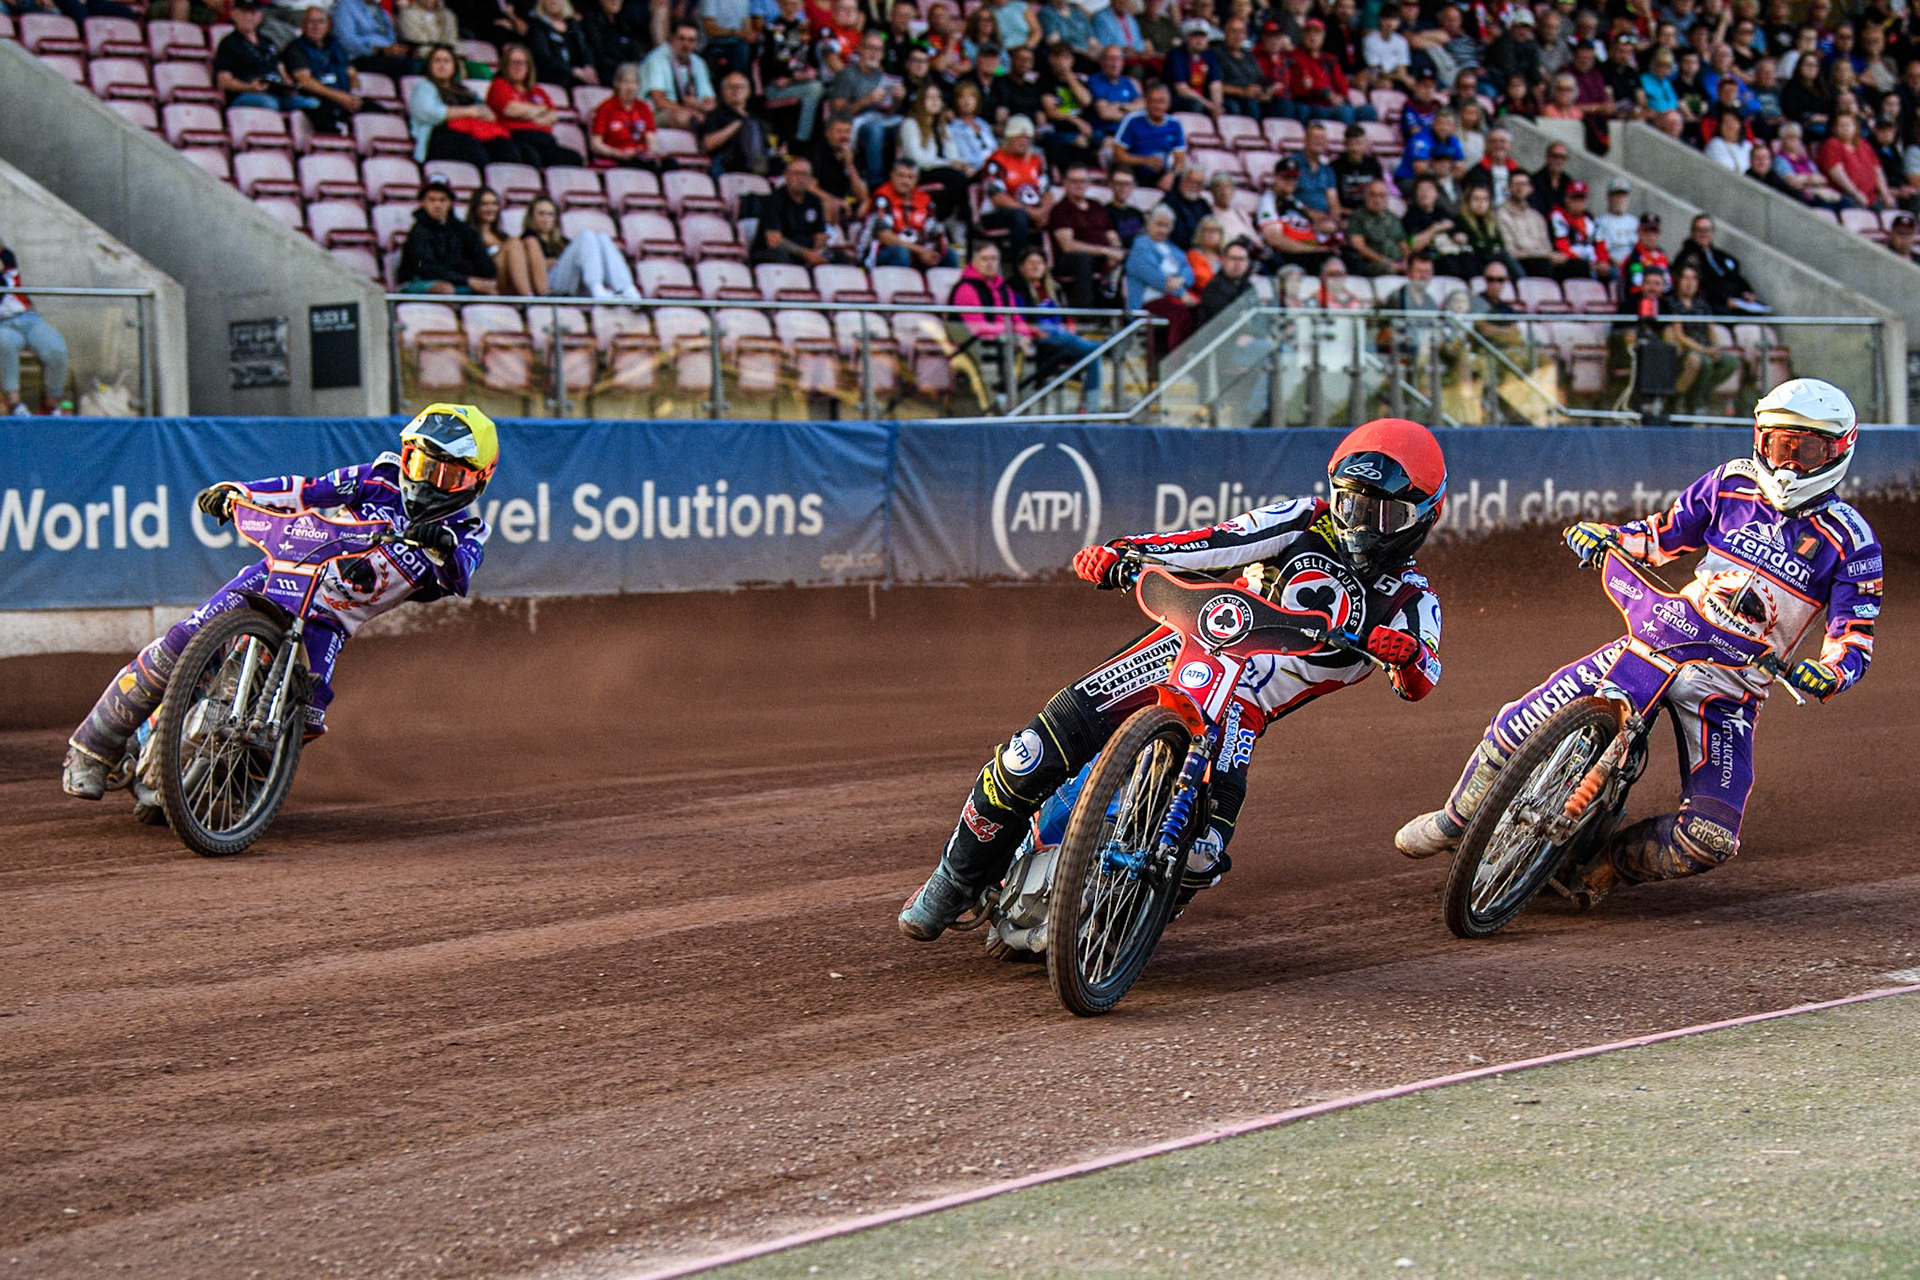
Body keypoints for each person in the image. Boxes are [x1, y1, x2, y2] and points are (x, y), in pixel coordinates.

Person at [900, 419, 1451, 941]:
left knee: (1202, 853)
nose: (1362, 524)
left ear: (1425, 515)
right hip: (1177, 650)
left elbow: (1423, 676)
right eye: (1353, 503)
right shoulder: (1304, 519)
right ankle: (955, 879)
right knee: (1028, 755)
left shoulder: (1413, 600)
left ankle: (1135, 918)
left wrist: (1403, 658)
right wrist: (1125, 552)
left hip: (1243, 710)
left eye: (1386, 514)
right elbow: (1213, 541)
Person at [1396, 380, 1877, 910]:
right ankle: (1454, 820)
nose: (1786, 464)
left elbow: (1853, 637)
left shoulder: (1852, 541)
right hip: (1663, 633)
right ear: (1758, 439)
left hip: (1732, 686)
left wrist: (1829, 673)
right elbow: (1660, 536)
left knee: (1710, 839)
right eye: (1776, 445)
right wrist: (1606, 536)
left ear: (1837, 450)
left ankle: (1606, 863)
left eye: (1804, 449)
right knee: (1521, 720)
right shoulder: (1730, 483)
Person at [62, 405, 499, 801]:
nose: (426, 480)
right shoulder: (380, 477)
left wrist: (442, 544)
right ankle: (91, 749)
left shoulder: (468, 531)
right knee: (180, 643)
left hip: (330, 620)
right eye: (420, 464)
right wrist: (240, 492)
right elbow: (307, 491)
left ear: (478, 479)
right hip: (282, 574)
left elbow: (460, 572)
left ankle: (236, 793)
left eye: (447, 475)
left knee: (306, 715)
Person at [1012, 248, 1103, 410]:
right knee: (1094, 350)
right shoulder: (1015, 288)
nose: (1036, 266)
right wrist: (1035, 331)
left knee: (1093, 355)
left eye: (1039, 263)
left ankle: (1090, 407)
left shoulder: (1054, 288)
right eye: (1031, 263)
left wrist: (1069, 329)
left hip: (1061, 335)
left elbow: (1067, 317)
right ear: (1021, 267)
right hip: (1037, 335)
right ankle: (1090, 405)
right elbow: (1016, 318)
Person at [411, 44, 528, 168]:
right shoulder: (425, 88)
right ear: (429, 65)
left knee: (507, 148)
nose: (442, 65)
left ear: (454, 66)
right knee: (474, 151)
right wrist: (471, 112)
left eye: (446, 61)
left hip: (473, 133)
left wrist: (481, 113)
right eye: (437, 61)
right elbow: (430, 113)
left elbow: (486, 113)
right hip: (441, 136)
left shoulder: (465, 91)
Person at [519, 193, 641, 298]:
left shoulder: (561, 241)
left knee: (602, 238)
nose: (546, 219)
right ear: (531, 216)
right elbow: (527, 268)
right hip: (551, 285)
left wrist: (557, 262)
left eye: (550, 215)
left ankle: (626, 288)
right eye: (541, 214)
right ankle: (596, 287)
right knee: (586, 236)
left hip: (573, 282)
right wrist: (549, 263)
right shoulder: (528, 238)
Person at [488, 44, 589, 167]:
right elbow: (511, 110)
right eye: (513, 63)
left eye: (522, 63)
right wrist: (540, 110)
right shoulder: (499, 85)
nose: (518, 67)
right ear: (505, 65)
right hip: (517, 138)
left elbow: (552, 117)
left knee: (573, 158)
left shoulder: (537, 90)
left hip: (545, 141)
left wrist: (527, 113)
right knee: (530, 157)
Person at [0, 237, 68, 417]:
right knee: (4, 344)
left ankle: (50, 404)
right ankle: (14, 403)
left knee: (55, 349)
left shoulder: (6, 255)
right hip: (2, 325)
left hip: (27, 317)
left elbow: (5, 277)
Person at [1662, 262, 1741, 413]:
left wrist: (1715, 347)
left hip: (1705, 346)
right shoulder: (1671, 303)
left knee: (1730, 361)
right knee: (1703, 362)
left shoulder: (1702, 305)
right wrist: (1704, 350)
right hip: (1686, 348)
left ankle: (1696, 393)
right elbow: (1679, 335)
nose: (1689, 283)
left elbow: (1710, 330)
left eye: (1693, 279)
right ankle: (1693, 402)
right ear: (1678, 280)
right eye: (1685, 278)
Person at [284, 6, 374, 138]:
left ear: (329, 25)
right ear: (303, 25)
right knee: (324, 115)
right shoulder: (296, 48)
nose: (316, 26)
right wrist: (341, 97)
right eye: (311, 22)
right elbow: (305, 81)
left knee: (377, 111)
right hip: (317, 101)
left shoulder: (335, 46)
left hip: (344, 99)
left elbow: (352, 73)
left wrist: (353, 95)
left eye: (321, 22)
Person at [398, 176, 498, 295]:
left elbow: (484, 263)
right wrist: (467, 280)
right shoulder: (418, 232)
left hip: (457, 281)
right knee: (444, 289)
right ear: (422, 202)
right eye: (432, 200)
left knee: (492, 288)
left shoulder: (463, 230)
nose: (437, 205)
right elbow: (425, 269)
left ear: (450, 203)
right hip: (419, 281)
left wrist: (482, 280)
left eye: (442, 200)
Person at [214, 0, 318, 113]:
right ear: (234, 14)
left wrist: (289, 86)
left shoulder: (267, 42)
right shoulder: (228, 43)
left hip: (275, 91)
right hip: (245, 94)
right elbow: (224, 80)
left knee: (312, 103)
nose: (249, 17)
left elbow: (280, 69)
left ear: (259, 16)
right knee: (269, 103)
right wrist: (249, 87)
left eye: (253, 13)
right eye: (244, 12)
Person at [832, 29, 904, 186]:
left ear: (883, 54)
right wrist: (866, 100)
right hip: (854, 123)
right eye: (869, 48)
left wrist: (897, 100)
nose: (873, 53)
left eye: (878, 49)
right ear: (861, 50)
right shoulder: (847, 74)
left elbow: (889, 110)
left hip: (880, 118)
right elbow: (839, 112)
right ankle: (875, 181)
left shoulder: (882, 76)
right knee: (875, 128)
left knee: (907, 124)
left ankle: (904, 176)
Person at [1048, 165, 1125, 309]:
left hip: (1102, 256)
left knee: (1131, 255)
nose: (1079, 185)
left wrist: (1116, 251)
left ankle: (1127, 312)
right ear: (1064, 183)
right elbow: (1068, 246)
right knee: (1082, 259)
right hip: (1070, 261)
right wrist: (1105, 251)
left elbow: (1112, 236)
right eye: (1074, 181)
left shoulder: (1097, 206)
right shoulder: (1060, 210)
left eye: (1083, 181)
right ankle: (1085, 313)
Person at [981, 115, 1055, 259]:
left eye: (1027, 138)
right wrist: (1029, 212)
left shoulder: (1036, 160)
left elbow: (1047, 191)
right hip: (999, 213)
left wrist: (1043, 210)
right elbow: (997, 197)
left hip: (1034, 210)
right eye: (1019, 137)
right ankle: (1019, 266)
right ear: (1008, 138)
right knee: (1019, 216)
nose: (1024, 141)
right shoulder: (996, 161)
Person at [1126, 204, 1198, 350]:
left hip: (1172, 298)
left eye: (1166, 226)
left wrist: (1181, 280)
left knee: (1199, 312)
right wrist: (1181, 292)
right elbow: (1153, 276)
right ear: (1149, 223)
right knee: (1180, 315)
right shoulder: (1141, 246)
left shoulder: (1174, 249)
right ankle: (1175, 362)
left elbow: (1189, 273)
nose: (1162, 230)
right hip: (1147, 301)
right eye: (1159, 225)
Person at [1671, 214, 1769, 314]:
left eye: (1707, 230)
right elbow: (1702, 287)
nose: (1703, 234)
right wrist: (1725, 300)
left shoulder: (1720, 256)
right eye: (1699, 230)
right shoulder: (1686, 257)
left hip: (1737, 301)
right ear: (1692, 232)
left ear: (1713, 232)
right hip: (1712, 304)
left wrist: (1746, 292)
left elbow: (1736, 277)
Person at [865, 159, 954, 267]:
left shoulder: (925, 200)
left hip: (917, 252)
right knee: (901, 253)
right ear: (892, 176)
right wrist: (920, 250)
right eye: (901, 176)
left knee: (949, 254)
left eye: (910, 177)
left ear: (917, 180)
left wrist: (932, 251)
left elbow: (936, 234)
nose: (905, 181)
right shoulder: (882, 198)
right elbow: (884, 236)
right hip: (883, 252)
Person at [760, 0, 826, 143]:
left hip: (799, 83)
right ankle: (802, 140)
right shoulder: (770, 29)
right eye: (787, 4)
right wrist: (793, 76)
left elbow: (814, 62)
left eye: (795, 4)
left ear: (801, 6)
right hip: (776, 87)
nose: (790, 8)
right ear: (779, 5)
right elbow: (767, 65)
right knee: (815, 89)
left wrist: (808, 74)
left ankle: (805, 138)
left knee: (817, 88)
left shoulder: (806, 30)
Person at [749, 156, 829, 265]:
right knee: (781, 255)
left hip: (806, 252)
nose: (800, 179)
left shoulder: (814, 201)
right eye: (796, 174)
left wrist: (817, 252)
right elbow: (774, 240)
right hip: (773, 253)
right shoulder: (774, 200)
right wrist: (807, 254)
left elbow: (820, 234)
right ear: (786, 176)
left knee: (840, 257)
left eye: (805, 175)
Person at [640, 19, 717, 130]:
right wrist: (687, 110)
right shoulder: (657, 58)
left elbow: (711, 102)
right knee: (684, 117)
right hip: (656, 113)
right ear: (671, 38)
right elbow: (659, 101)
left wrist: (697, 105)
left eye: (691, 40)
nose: (686, 44)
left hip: (691, 111)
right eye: (681, 39)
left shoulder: (698, 63)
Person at [1110, 82, 1189, 191]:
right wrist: (1144, 161)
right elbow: (1117, 154)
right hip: (1134, 169)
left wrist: (1171, 175)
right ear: (1146, 102)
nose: (1157, 106)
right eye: (1153, 101)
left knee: (1183, 178)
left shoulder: (1175, 124)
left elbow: (1180, 159)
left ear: (1168, 104)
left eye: (1161, 102)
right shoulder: (1133, 120)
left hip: (1160, 171)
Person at [465, 186, 538, 295]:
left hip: (509, 280)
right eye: (485, 204)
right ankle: (528, 298)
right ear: (475, 208)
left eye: (494, 204)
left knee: (530, 242)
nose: (490, 208)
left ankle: (544, 295)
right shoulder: (468, 234)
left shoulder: (502, 235)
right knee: (514, 243)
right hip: (488, 281)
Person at [700, 71, 771, 175]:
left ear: (748, 91)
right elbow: (708, 144)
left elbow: (765, 148)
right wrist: (737, 125)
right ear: (723, 91)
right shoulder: (715, 115)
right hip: (726, 163)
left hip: (754, 161)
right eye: (730, 87)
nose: (735, 90)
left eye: (740, 87)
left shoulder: (755, 120)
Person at [590, 63, 657, 167]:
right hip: (617, 157)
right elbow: (596, 144)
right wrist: (617, 153)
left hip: (640, 156)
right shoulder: (606, 108)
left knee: (669, 164)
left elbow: (651, 139)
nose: (631, 87)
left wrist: (649, 152)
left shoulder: (643, 107)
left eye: (634, 83)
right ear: (617, 84)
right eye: (626, 82)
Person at [331, 0, 416, 78]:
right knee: (405, 66)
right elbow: (346, 42)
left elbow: (390, 39)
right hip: (359, 58)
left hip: (385, 56)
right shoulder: (345, 6)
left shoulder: (379, 9)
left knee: (415, 63)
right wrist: (379, 50)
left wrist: (396, 49)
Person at [1495, 170, 1556, 277]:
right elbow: (1510, 251)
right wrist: (1539, 253)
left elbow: (1547, 247)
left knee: (1576, 266)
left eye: (1524, 184)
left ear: (1530, 189)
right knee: (1543, 265)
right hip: (1520, 263)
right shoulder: (1501, 214)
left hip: (1542, 262)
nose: (1520, 188)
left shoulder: (1537, 217)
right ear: (1508, 188)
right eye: (1516, 184)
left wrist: (1543, 254)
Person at [526, 0, 598, 89]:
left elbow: (585, 49)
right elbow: (544, 58)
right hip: (553, 82)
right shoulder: (537, 27)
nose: (553, 1)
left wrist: (589, 66)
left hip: (579, 82)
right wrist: (573, 71)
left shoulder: (573, 24)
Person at [1549, 179, 1612, 281]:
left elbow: (1600, 244)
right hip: (1572, 263)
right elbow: (1562, 245)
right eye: (1574, 198)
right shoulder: (1558, 217)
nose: (1578, 202)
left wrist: (1603, 262)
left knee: (1613, 272)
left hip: (1593, 263)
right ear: (1566, 199)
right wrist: (1587, 264)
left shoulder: (1591, 220)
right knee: (1582, 268)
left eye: (1581, 198)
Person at [1344, 177, 1409, 276]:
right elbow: (1359, 247)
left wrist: (1408, 262)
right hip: (1373, 264)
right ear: (1365, 196)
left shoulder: (1393, 217)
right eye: (1372, 195)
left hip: (1397, 262)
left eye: (1381, 195)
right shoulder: (1358, 216)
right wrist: (1386, 261)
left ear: (1387, 198)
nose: (1377, 199)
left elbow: (1403, 244)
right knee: (1387, 268)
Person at [1164, 19, 1224, 118]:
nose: (1199, 40)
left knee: (1230, 105)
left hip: (1202, 98)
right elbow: (1181, 89)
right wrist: (1208, 105)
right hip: (1176, 98)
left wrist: (1217, 105)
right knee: (1195, 105)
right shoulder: (1176, 55)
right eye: (1195, 36)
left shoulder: (1209, 56)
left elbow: (1215, 84)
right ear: (1187, 37)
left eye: (1202, 36)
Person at [1196, 236, 1256, 323]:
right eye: (1233, 258)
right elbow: (1225, 319)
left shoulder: (1249, 287)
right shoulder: (1213, 288)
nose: (1237, 264)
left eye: (1241, 259)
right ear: (1224, 261)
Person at [1592, 176, 1639, 268]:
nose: (1620, 199)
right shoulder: (1600, 222)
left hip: (1634, 265)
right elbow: (1600, 247)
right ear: (1609, 197)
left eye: (1623, 195)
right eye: (1616, 195)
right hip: (1612, 265)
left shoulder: (1635, 222)